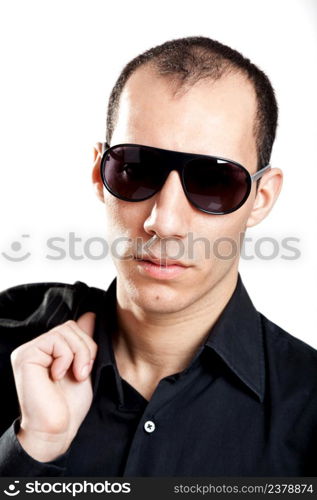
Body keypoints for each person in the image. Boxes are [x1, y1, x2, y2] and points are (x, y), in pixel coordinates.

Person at [0, 36, 316, 477]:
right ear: (98, 174)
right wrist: (31, 451)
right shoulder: (10, 338)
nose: (163, 222)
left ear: (261, 198)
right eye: (134, 170)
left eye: (213, 182)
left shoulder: (307, 412)